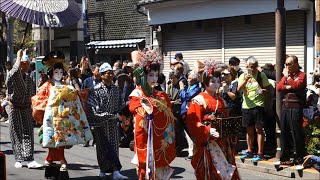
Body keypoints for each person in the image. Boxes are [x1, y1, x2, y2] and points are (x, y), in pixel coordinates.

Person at [32, 51, 93, 176]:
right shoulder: (46, 85)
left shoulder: (66, 86)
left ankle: (56, 159)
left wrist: (81, 94)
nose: (59, 74)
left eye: (60, 72)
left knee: (61, 140)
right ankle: (55, 159)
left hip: (64, 118)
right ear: (51, 73)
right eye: (56, 72)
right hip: (51, 118)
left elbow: (74, 99)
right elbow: (38, 100)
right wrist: (49, 106)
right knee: (51, 140)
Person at [186, 59, 240, 179]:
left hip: (223, 140)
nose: (216, 84)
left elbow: (227, 117)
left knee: (225, 170)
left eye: (218, 81)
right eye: (212, 81)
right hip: (208, 140)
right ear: (205, 83)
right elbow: (193, 122)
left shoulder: (222, 100)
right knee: (212, 170)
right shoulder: (198, 100)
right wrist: (207, 130)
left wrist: (231, 129)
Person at [129, 49, 176, 179]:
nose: (154, 78)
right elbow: (134, 108)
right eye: (151, 75)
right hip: (146, 138)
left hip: (160, 139)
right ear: (143, 76)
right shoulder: (137, 93)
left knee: (161, 169)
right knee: (146, 170)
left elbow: (169, 112)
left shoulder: (161, 95)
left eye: (156, 75)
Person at [86, 62, 128, 179]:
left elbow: (120, 104)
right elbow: (92, 108)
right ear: (102, 75)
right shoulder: (95, 90)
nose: (110, 76)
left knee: (114, 147)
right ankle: (102, 169)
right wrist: (108, 115)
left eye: (111, 74)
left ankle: (115, 171)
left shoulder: (115, 89)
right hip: (101, 124)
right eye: (108, 74)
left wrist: (122, 113)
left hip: (113, 124)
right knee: (102, 148)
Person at [6, 49, 42, 168]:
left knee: (28, 132)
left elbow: (32, 93)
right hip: (15, 107)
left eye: (27, 64)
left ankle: (29, 158)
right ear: (19, 64)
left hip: (26, 107)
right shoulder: (12, 74)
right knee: (16, 132)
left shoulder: (29, 78)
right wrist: (18, 58)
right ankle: (19, 158)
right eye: (23, 64)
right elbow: (12, 75)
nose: (25, 66)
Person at [275, 55, 306, 167]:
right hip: (285, 107)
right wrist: (288, 86)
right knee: (284, 132)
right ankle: (285, 158)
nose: (287, 67)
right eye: (286, 64)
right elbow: (278, 87)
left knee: (296, 133)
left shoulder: (302, 75)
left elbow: (297, 85)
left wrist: (288, 81)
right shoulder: (286, 76)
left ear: (296, 64)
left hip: (296, 107)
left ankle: (300, 159)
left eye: (289, 64)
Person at [238, 56, 270, 162]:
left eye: (255, 67)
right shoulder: (243, 75)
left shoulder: (261, 75)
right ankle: (250, 150)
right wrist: (246, 79)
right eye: (251, 67)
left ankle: (260, 153)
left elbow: (268, 90)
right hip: (246, 105)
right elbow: (239, 89)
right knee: (249, 130)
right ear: (246, 66)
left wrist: (261, 91)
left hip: (258, 105)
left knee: (258, 129)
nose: (253, 69)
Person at [180, 71, 201, 160]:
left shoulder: (197, 89)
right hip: (186, 112)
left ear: (194, 80)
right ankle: (191, 152)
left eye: (189, 78)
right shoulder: (189, 87)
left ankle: (194, 153)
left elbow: (187, 97)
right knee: (187, 134)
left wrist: (181, 89)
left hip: (192, 113)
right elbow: (182, 97)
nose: (187, 80)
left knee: (192, 133)